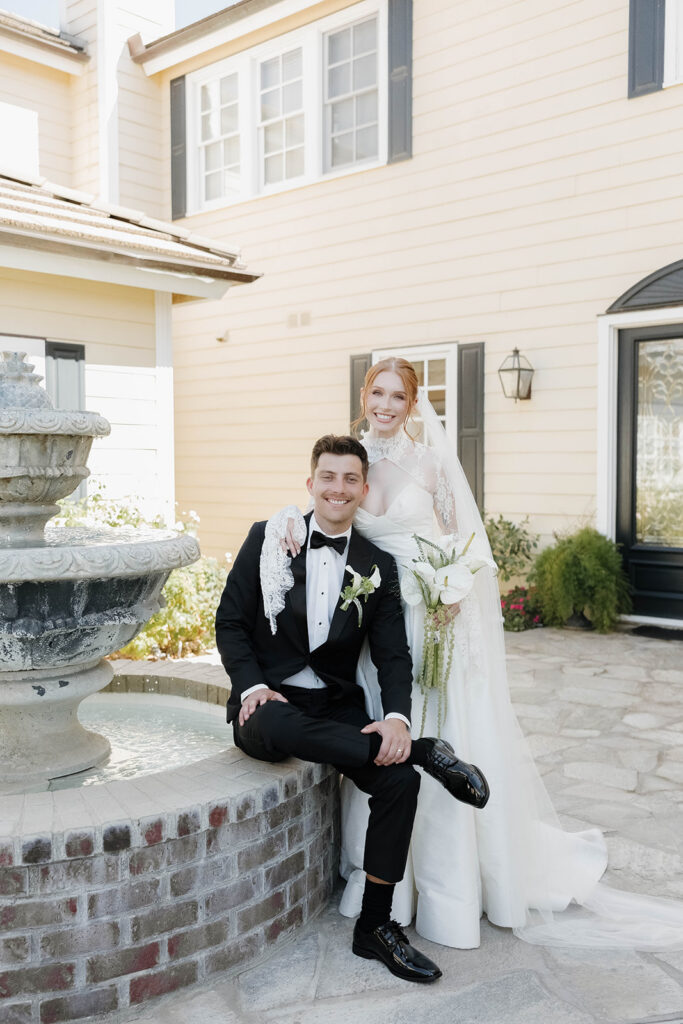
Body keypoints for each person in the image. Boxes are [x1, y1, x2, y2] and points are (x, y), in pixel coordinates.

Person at [269, 357, 683, 952]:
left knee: (441, 724)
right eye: (377, 392)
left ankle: (455, 885)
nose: (386, 405)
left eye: (398, 396)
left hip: (433, 620)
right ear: (365, 395)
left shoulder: (432, 464)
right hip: (376, 631)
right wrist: (286, 521)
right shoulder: (349, 462)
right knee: (384, 735)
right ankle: (388, 881)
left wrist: (452, 591)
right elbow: (321, 515)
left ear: (413, 405)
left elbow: (466, 546)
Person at [215, 434, 489, 983]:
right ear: (310, 483)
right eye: (328, 477)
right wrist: (250, 687)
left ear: (363, 490)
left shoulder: (378, 566)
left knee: (398, 784)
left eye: (349, 480)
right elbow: (230, 623)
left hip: (335, 707)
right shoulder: (269, 538)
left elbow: (393, 655)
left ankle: (375, 927)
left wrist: (396, 720)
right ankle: (426, 754)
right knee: (270, 719)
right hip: (270, 703)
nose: (337, 489)